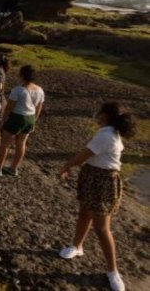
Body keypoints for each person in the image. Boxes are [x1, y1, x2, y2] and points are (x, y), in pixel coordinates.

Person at [58, 102, 135, 291]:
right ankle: (77, 246)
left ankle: (113, 271)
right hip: (93, 176)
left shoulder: (107, 135)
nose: (97, 116)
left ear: (106, 116)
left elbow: (83, 155)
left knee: (102, 228)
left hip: (103, 182)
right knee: (84, 214)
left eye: (100, 112)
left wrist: (66, 166)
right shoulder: (107, 132)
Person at [0, 65, 44, 177]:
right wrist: (34, 120)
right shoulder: (40, 90)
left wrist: (4, 120)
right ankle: (14, 168)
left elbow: (9, 107)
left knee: (5, 144)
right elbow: (39, 107)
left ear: (22, 75)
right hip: (30, 118)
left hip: (17, 117)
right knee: (21, 143)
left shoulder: (18, 90)